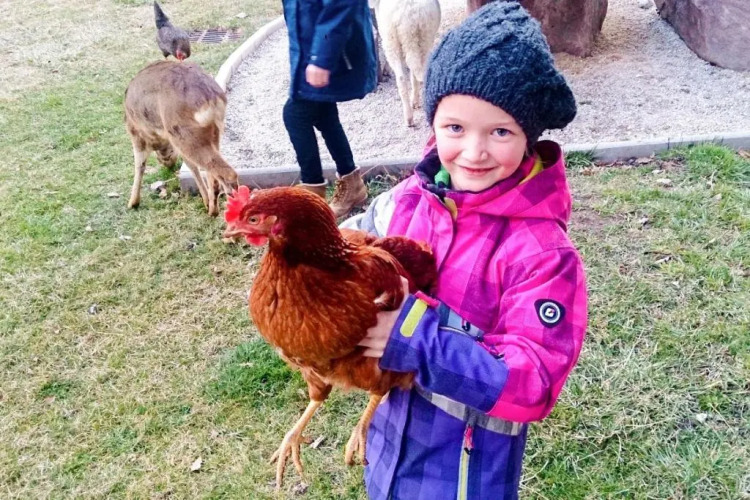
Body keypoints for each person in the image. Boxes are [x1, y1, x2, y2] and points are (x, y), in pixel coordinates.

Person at [341, 2, 588, 498]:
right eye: (455, 128)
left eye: (500, 132)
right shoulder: (403, 203)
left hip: (465, 476)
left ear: (528, 136)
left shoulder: (542, 255)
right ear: (433, 122)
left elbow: (533, 382)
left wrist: (414, 338)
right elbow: (348, 246)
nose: (474, 152)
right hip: (388, 454)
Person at [281, 0, 377, 217]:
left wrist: (321, 58)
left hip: (329, 49)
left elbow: (341, 4)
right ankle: (352, 185)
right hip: (314, 46)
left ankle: (312, 200)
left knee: (295, 115)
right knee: (324, 113)